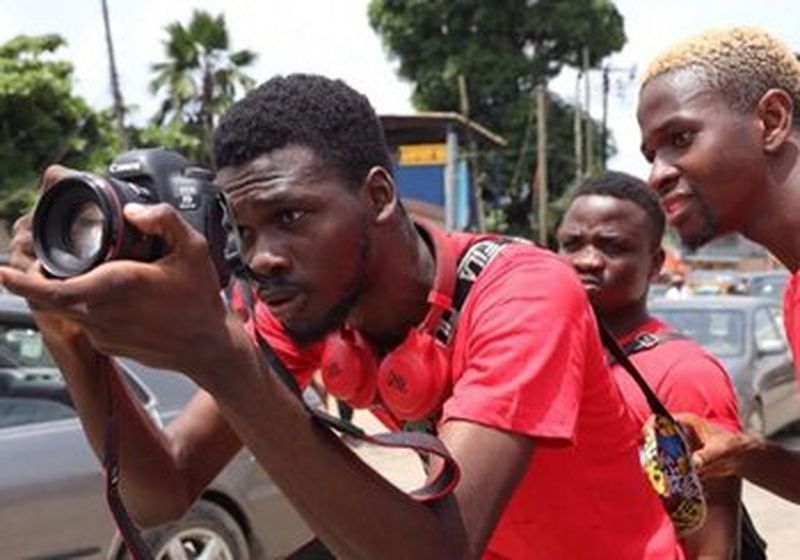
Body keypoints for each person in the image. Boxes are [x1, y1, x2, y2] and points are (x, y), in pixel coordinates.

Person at [1, 74, 681, 559]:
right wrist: (73, 345)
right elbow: (163, 495)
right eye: (244, 228)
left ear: (380, 196)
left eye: (290, 217)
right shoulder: (309, 307)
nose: (263, 256)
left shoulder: (524, 291)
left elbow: (441, 549)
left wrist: (224, 359)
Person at [637, 26, 800, 505]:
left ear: (771, 120)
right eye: (651, 154)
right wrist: (744, 454)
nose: (657, 174)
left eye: (681, 138)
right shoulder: (793, 296)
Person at [556, 171, 742, 558]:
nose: (587, 260)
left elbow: (713, 546)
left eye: (613, 247)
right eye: (572, 244)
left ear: (655, 263)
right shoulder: (546, 358)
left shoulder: (686, 374)